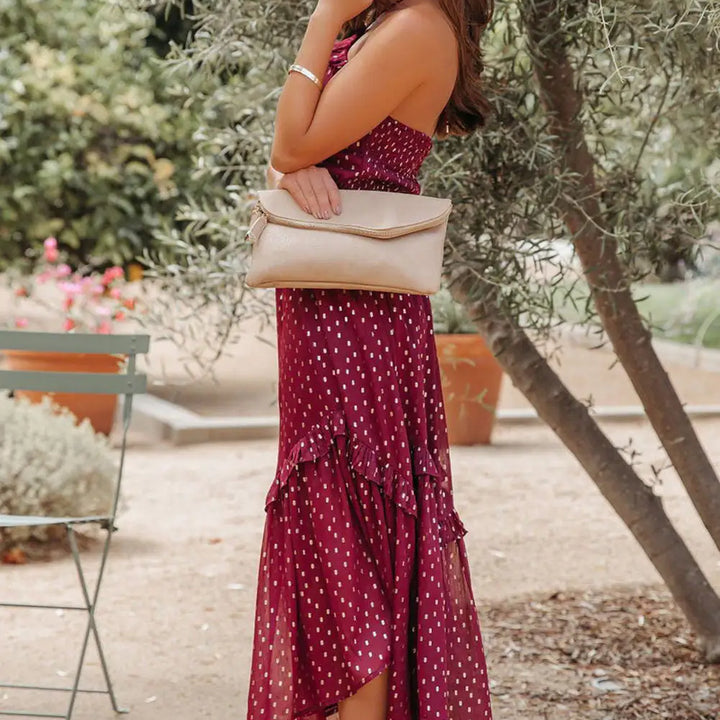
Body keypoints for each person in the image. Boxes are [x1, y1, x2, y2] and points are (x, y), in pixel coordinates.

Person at [247, 0, 495, 718]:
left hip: (355, 322)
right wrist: (292, 166)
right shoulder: (386, 25)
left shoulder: (416, 27)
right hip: (328, 310)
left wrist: (324, 14)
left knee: (351, 542)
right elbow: (288, 150)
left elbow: (293, 143)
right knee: (339, 543)